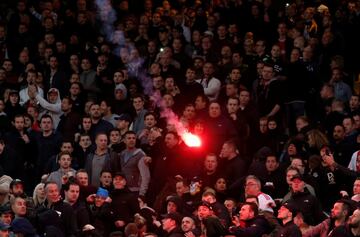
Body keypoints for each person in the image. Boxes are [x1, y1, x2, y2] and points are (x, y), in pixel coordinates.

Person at [110, 131, 150, 196]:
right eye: (129, 138)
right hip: (124, 189)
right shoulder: (122, 154)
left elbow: (145, 176)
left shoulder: (140, 155)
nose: (132, 140)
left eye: (133, 138)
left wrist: (142, 194)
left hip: (136, 190)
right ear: (124, 141)